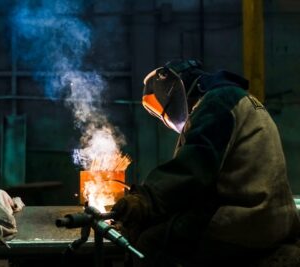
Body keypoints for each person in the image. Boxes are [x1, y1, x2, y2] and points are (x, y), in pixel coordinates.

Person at [111, 59, 300, 267]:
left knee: (149, 243)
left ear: (181, 89)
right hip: (272, 217)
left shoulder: (218, 101)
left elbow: (194, 168)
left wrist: (146, 199)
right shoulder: (237, 98)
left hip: (245, 220)